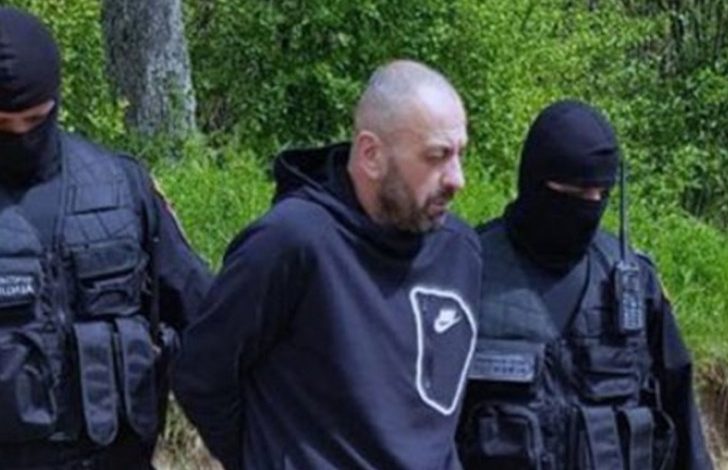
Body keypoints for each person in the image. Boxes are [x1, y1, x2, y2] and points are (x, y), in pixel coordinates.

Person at [174, 59, 482, 469]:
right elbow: (201, 373)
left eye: (460, 154)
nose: (457, 179)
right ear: (371, 155)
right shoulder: (292, 242)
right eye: (437, 156)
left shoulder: (460, 250)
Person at [0, 7, 212, 469]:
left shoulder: (122, 188)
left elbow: (207, 317)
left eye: (35, 120)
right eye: (3, 127)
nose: (21, 138)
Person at [456, 100, 713, 469]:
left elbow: (683, 422)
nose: (590, 205)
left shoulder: (634, 283)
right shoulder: (467, 270)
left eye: (601, 194)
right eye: (576, 192)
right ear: (535, 181)